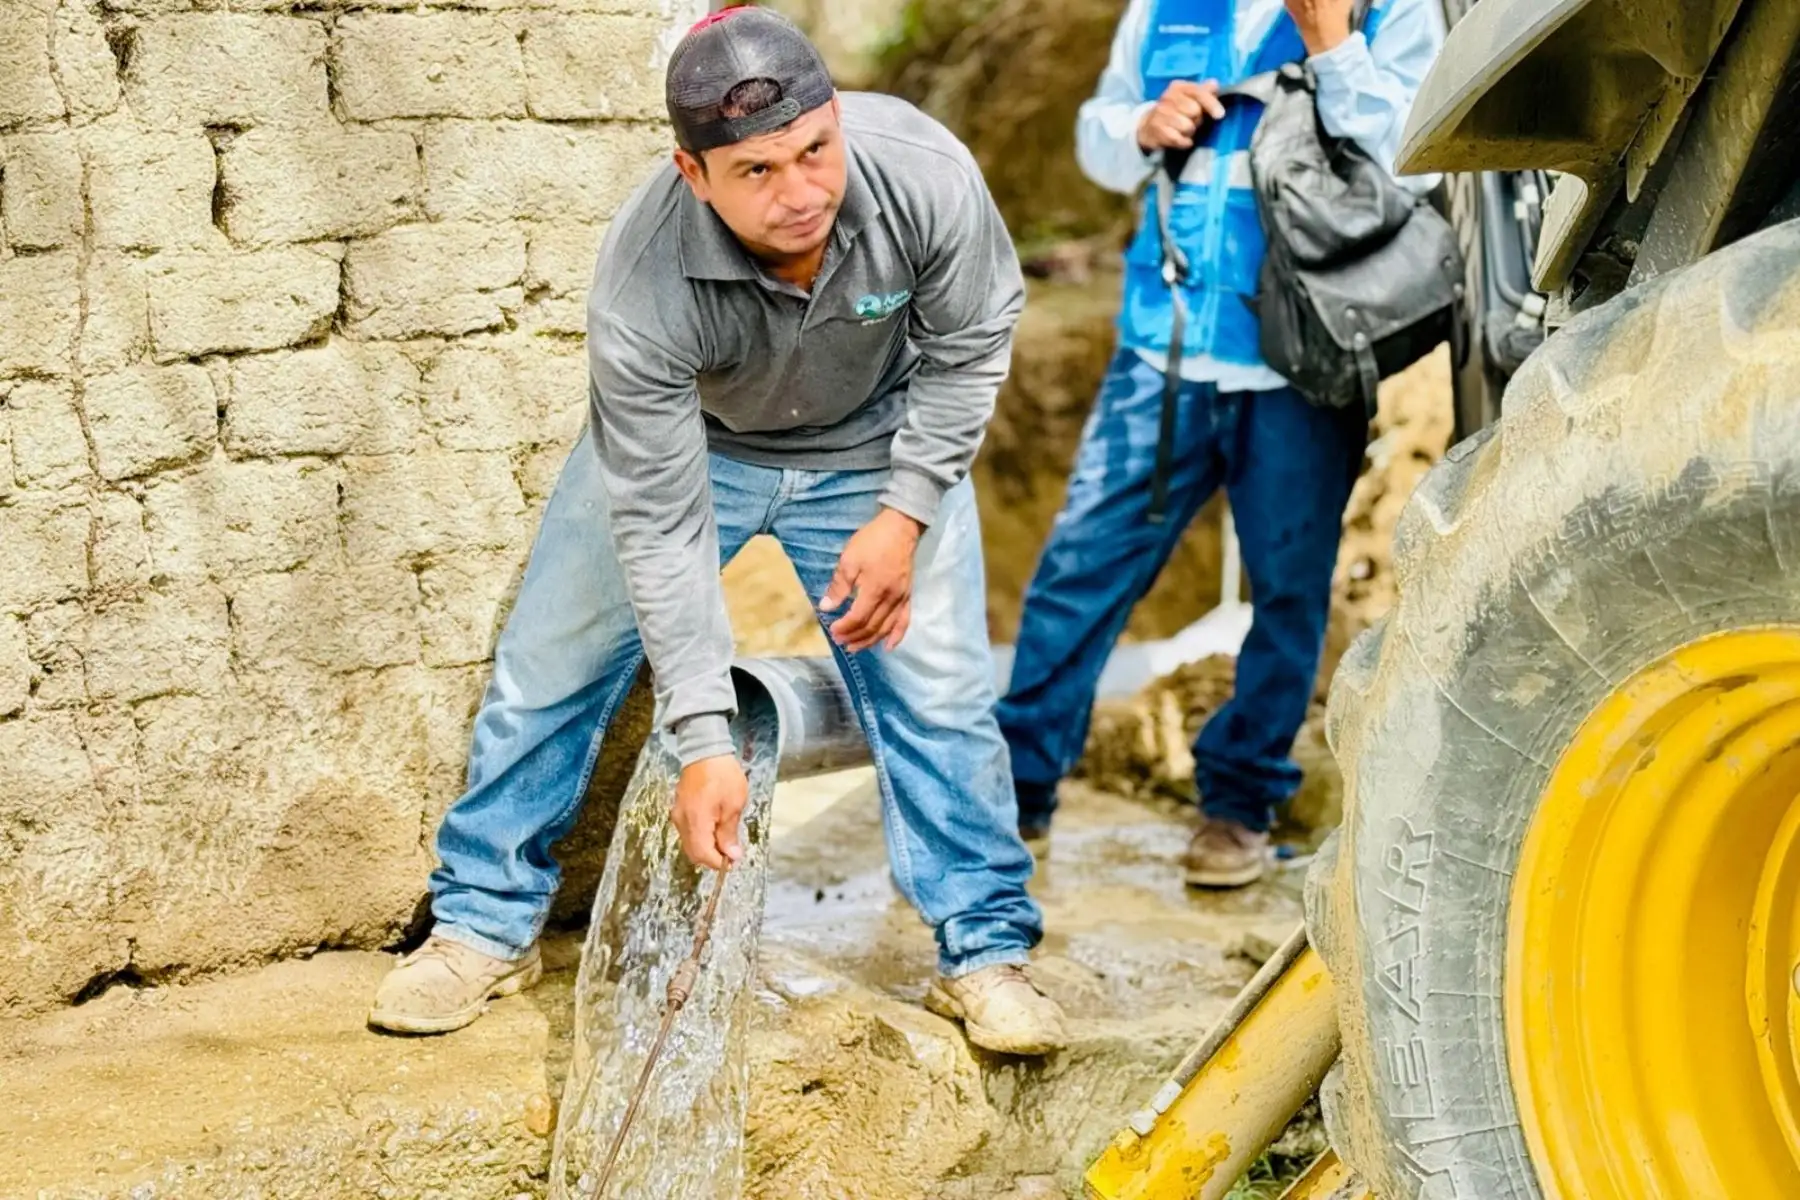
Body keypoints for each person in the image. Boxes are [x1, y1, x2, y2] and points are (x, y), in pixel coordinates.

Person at [367, 7, 1067, 1056]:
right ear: (693, 174)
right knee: (548, 665)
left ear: (837, 121)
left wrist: (907, 511)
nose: (801, 191)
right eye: (757, 172)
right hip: (694, 445)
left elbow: (971, 347)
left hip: (878, 449)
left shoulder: (925, 174)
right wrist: (703, 738)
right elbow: (660, 528)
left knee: (943, 692)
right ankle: (483, 927)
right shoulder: (643, 275)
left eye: (814, 151)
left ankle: (986, 953)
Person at [996, 0, 1445, 887]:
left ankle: (1239, 808)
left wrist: (1333, 49)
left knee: (1288, 597)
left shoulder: (1389, 11)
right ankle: (1016, 794)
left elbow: (1415, 161)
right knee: (1080, 570)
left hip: (1302, 363)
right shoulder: (1164, 9)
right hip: (1160, 353)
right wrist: (1138, 125)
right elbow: (1097, 139)